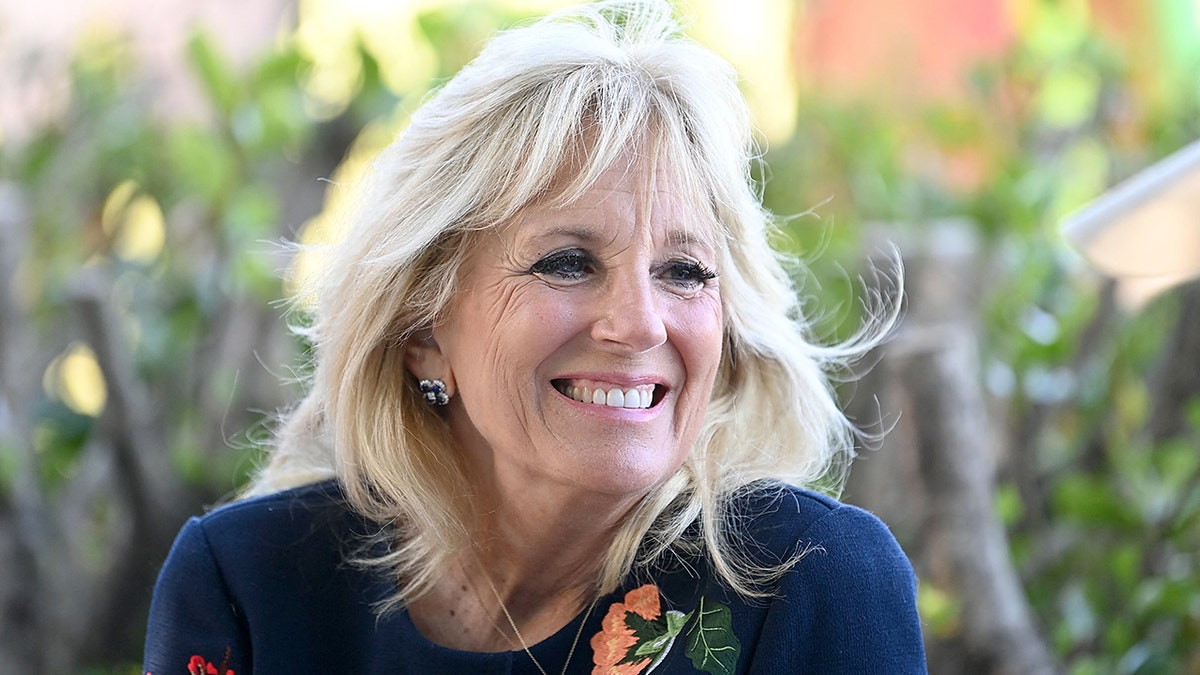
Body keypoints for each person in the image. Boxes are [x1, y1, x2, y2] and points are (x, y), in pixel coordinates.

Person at [143, 1, 926, 673]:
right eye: (568, 262)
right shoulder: (246, 586)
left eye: (684, 271)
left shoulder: (814, 583)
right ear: (421, 329)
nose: (641, 322)